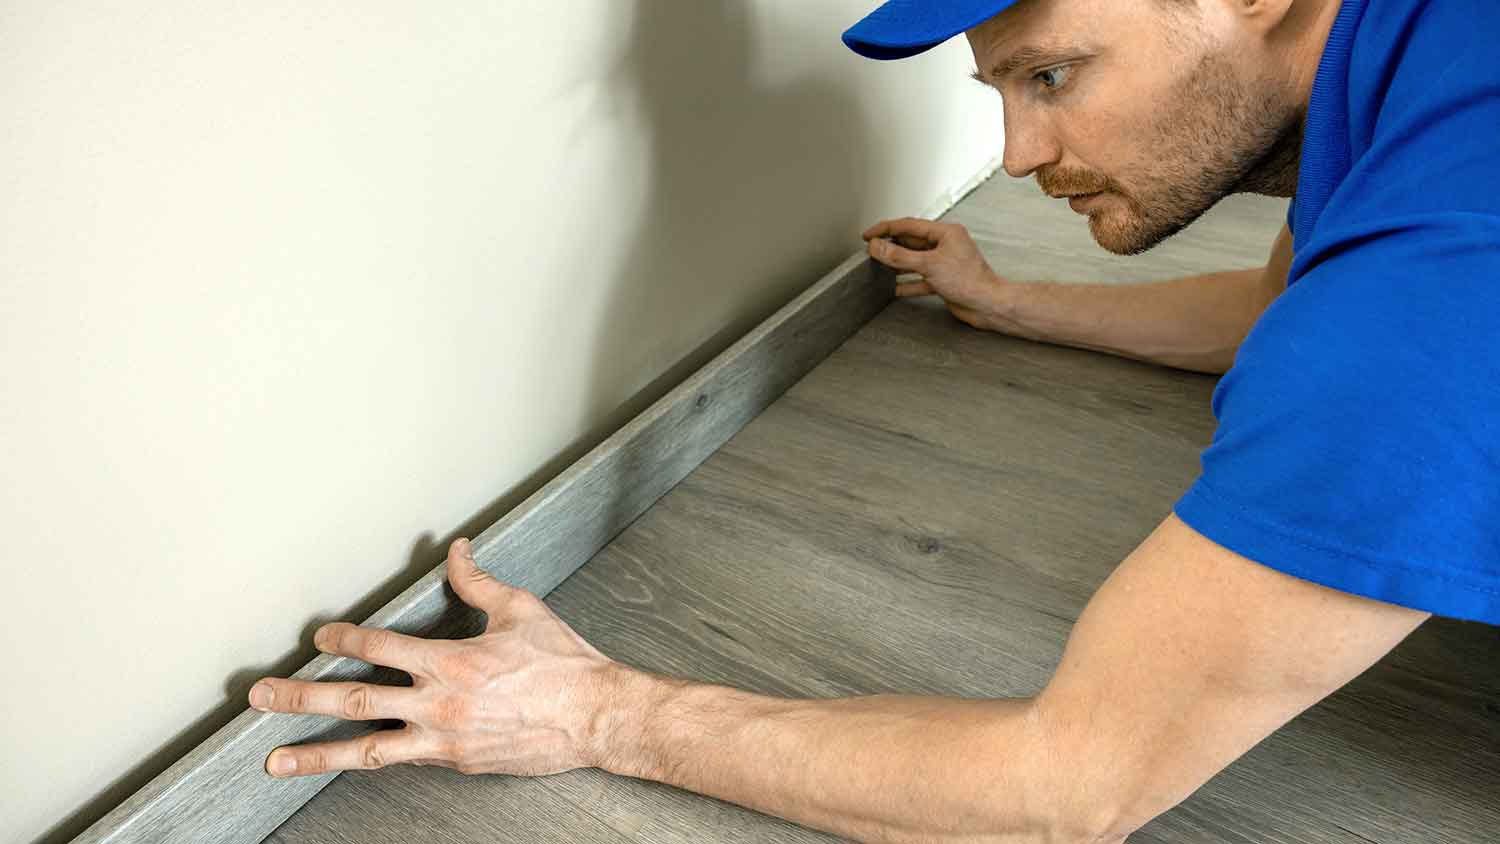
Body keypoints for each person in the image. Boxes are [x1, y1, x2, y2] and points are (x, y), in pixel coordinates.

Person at [246, 1, 1499, 841]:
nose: (1017, 153)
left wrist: (593, 710)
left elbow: (1071, 786)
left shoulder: (1439, 277)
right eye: (1005, 87)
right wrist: (1011, 304)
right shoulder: (1420, 65)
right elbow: (1285, 312)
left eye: (1051, 75)